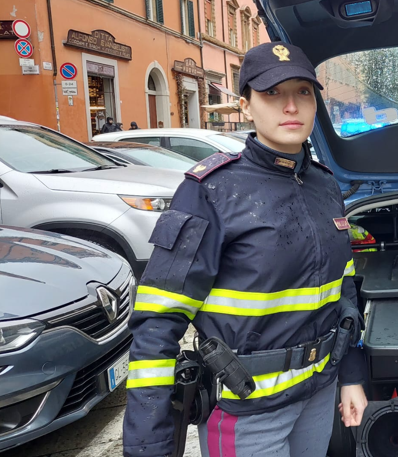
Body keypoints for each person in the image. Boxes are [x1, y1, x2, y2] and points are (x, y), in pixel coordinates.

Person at [123, 42, 368, 457]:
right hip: (246, 411)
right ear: (245, 105)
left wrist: (351, 375)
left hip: (317, 395)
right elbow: (158, 323)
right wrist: (150, 445)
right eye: (272, 93)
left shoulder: (326, 186)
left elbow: (342, 293)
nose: (290, 106)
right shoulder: (210, 191)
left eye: (303, 92)